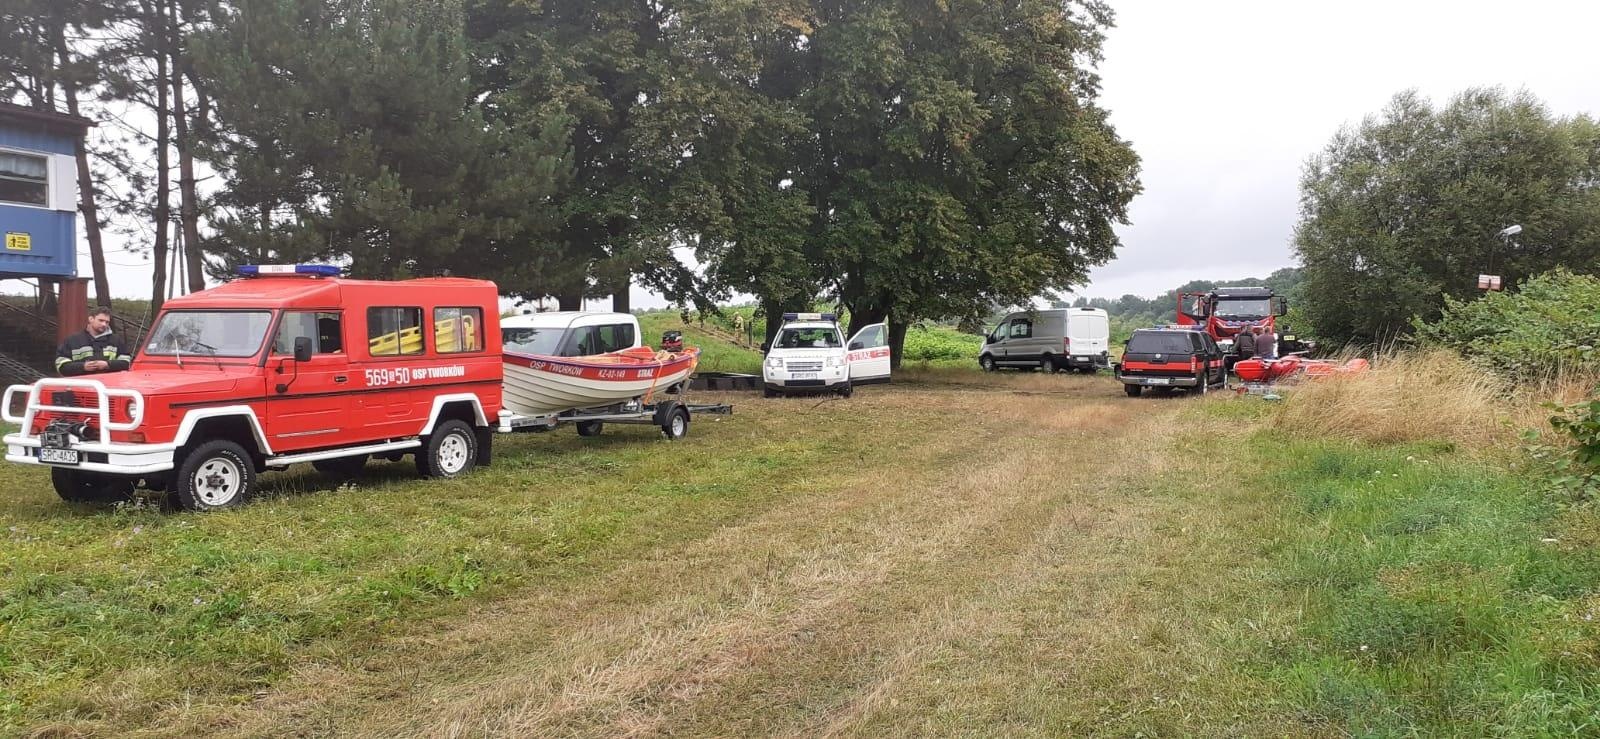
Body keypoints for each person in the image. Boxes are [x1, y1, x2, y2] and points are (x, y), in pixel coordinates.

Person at [56, 306, 132, 376]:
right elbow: (61, 366)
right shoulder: (72, 340)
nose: (104, 324)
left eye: (107, 322)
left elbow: (127, 363)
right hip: (80, 385)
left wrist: (107, 364)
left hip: (108, 386)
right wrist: (83, 367)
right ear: (91, 319)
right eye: (101, 320)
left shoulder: (116, 340)